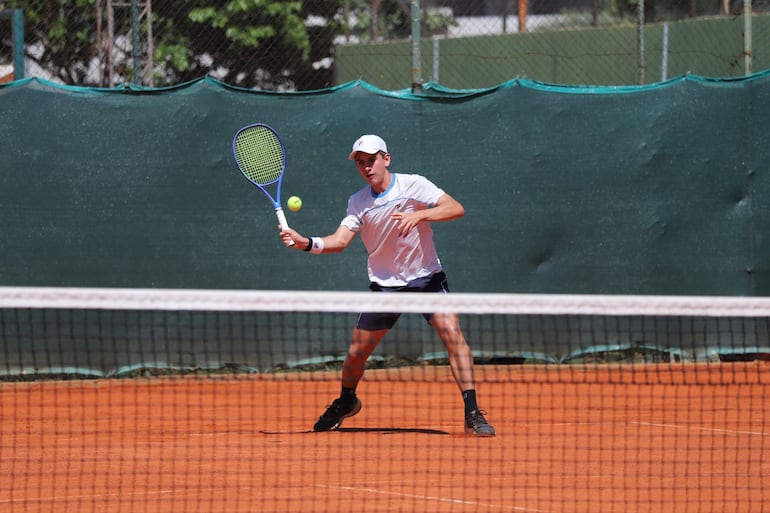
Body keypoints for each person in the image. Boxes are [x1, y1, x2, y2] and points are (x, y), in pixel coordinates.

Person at [279, 134, 495, 437]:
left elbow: (455, 208)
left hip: (426, 278)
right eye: (361, 163)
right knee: (357, 352)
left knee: (452, 334)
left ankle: (472, 413)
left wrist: (420, 214)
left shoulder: (414, 185)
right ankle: (346, 401)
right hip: (386, 286)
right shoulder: (358, 202)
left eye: (372, 160)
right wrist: (306, 243)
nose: (367, 168)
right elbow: (339, 242)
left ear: (386, 159)